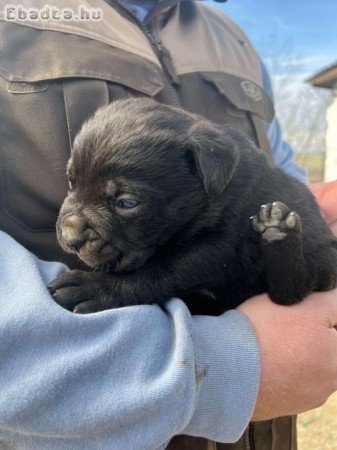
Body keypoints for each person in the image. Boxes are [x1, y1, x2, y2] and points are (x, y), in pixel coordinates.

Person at [0, 0, 337, 448]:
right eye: (71, 183)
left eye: (123, 202)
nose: (72, 228)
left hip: (263, 419)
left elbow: (278, 172)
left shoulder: (230, 35)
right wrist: (222, 364)